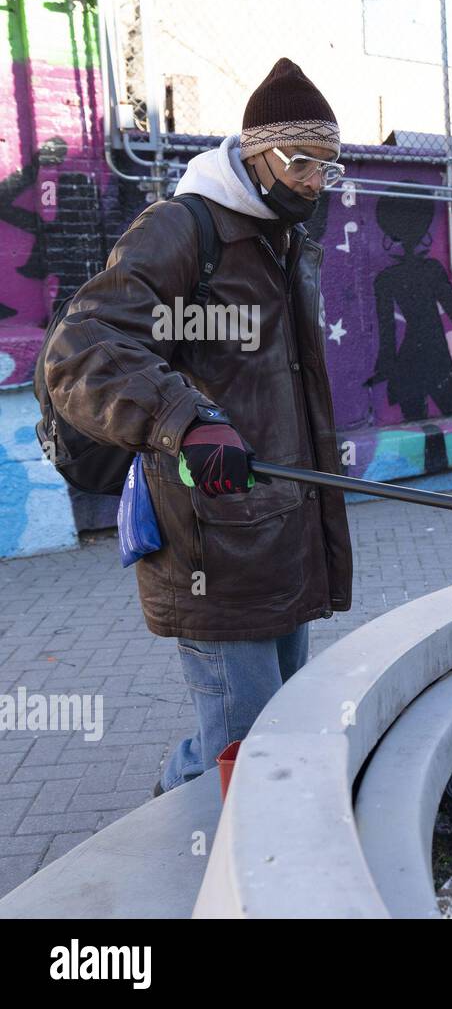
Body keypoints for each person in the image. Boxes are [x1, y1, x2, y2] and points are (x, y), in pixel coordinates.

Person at [42, 58, 353, 795]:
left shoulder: (279, 236)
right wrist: (188, 419)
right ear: (254, 152)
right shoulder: (182, 229)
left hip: (282, 530)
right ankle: (204, 857)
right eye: (301, 161)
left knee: (267, 728)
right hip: (213, 540)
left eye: (327, 167)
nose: (314, 180)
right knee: (242, 749)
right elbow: (82, 351)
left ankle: (192, 808)